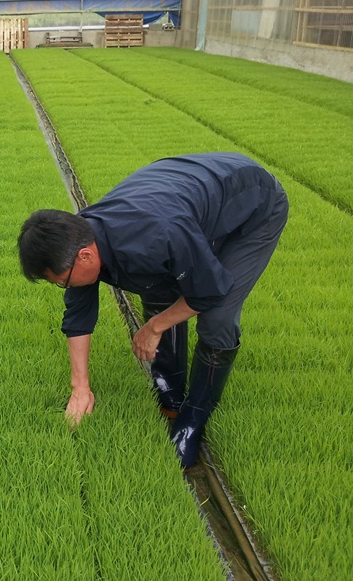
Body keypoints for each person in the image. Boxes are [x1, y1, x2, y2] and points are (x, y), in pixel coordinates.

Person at [17, 153, 288, 468]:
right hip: (188, 192)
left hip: (254, 204)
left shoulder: (156, 236)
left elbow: (209, 291)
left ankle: (193, 418)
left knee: (218, 319)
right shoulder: (79, 237)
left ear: (87, 256)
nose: (64, 287)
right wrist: (80, 388)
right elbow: (79, 316)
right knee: (157, 283)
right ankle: (170, 386)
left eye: (62, 282)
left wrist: (154, 327)